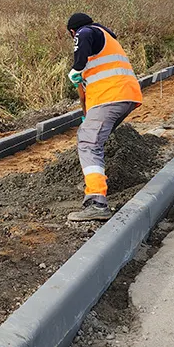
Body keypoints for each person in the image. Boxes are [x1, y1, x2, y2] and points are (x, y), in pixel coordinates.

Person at [64, 13, 143, 222]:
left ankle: (97, 202)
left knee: (89, 143)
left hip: (111, 97)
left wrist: (76, 68)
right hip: (124, 96)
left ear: (72, 32)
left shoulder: (87, 32)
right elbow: (90, 85)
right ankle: (94, 182)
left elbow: (84, 36)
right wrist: (88, 116)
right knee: (93, 140)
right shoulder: (107, 41)